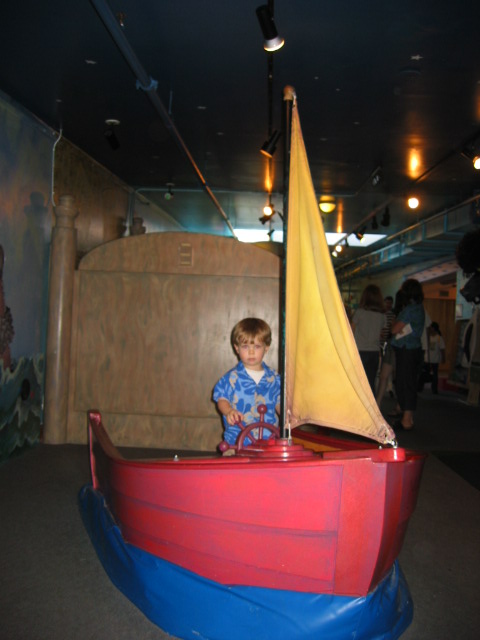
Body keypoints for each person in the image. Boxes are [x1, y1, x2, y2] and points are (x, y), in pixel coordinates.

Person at [213, 317, 281, 453]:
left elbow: (279, 404)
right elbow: (222, 399)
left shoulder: (275, 379)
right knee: (233, 465)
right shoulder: (231, 378)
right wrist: (229, 411)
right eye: (245, 347)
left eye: (257, 346)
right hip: (237, 442)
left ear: (266, 348)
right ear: (236, 348)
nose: (251, 352)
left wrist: (287, 419)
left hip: (268, 442)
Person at [390, 279, 426, 430]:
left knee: (405, 383)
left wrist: (395, 321)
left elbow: (394, 329)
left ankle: (406, 419)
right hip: (413, 349)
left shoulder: (410, 310)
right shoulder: (419, 308)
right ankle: (407, 417)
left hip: (406, 350)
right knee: (408, 382)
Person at [352, 284, 386, 392]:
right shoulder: (382, 315)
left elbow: (351, 331)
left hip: (360, 350)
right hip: (374, 352)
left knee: (358, 383)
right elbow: (381, 334)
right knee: (370, 383)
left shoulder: (360, 312)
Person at [376, 290, 406, 407]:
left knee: (385, 374)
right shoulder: (402, 313)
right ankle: (398, 403)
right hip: (397, 345)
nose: (388, 305)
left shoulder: (395, 314)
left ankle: (379, 402)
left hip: (391, 344)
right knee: (394, 375)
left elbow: (392, 329)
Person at [422, 321, 445, 394]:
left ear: (434, 328)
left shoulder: (439, 338)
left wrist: (443, 358)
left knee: (435, 374)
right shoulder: (427, 337)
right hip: (427, 359)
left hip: (435, 359)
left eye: (431, 328)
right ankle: (420, 387)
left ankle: (434, 388)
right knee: (424, 373)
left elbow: (442, 349)